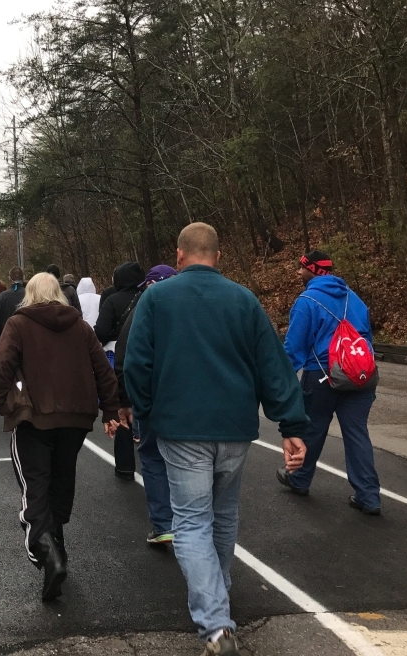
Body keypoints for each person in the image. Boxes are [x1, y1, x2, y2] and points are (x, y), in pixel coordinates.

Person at [123, 223, 307, 655]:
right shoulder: (244, 300)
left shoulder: (157, 298)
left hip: (180, 427)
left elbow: (137, 364)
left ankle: (215, 624)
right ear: (218, 257)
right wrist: (291, 425)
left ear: (180, 255)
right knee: (222, 516)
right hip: (235, 428)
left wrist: (145, 413)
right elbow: (273, 366)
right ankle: (216, 595)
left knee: (189, 521)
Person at [0, 273, 119, 601]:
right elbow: (104, 369)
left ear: (29, 293)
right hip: (75, 419)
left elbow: (0, 364)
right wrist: (112, 411)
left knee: (35, 485)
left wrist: (1, 401)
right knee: (61, 481)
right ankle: (57, 548)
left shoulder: (19, 324)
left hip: (35, 417)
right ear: (59, 293)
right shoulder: (80, 326)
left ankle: (48, 554)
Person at [277, 251, 382, 515]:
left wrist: (280, 380)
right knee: (357, 434)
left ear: (313, 270)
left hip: (322, 375)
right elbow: (366, 337)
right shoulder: (353, 297)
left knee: (312, 429)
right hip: (359, 377)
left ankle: (299, 479)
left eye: (301, 268)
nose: (298, 273)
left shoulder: (306, 302)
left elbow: (293, 349)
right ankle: (368, 496)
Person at [115, 264, 177, 546]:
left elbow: (126, 357)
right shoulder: (194, 306)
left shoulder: (143, 309)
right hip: (187, 398)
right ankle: (193, 519)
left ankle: (164, 523)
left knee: (153, 456)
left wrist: (127, 400)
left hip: (152, 398)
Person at [95, 261, 146, 479]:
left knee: (122, 406)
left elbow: (101, 331)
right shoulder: (148, 298)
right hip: (145, 354)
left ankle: (125, 466)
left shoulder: (113, 301)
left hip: (116, 353)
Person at [0, 267, 27, 333]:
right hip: (26, 335)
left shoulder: (2, 296)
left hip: (8, 334)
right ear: (24, 277)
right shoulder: (30, 294)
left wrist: (3, 334)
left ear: (9, 278)